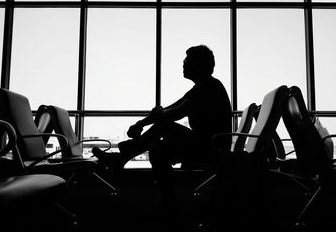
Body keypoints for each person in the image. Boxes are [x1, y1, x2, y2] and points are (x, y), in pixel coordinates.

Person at [93, 44, 232, 212]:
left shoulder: (207, 88)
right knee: (159, 142)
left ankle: (124, 158)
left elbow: (175, 113)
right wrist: (143, 122)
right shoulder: (204, 87)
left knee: (159, 146)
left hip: (211, 147)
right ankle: (125, 159)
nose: (183, 63)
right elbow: (170, 111)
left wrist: (146, 121)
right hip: (206, 143)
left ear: (198, 64)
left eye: (187, 60)